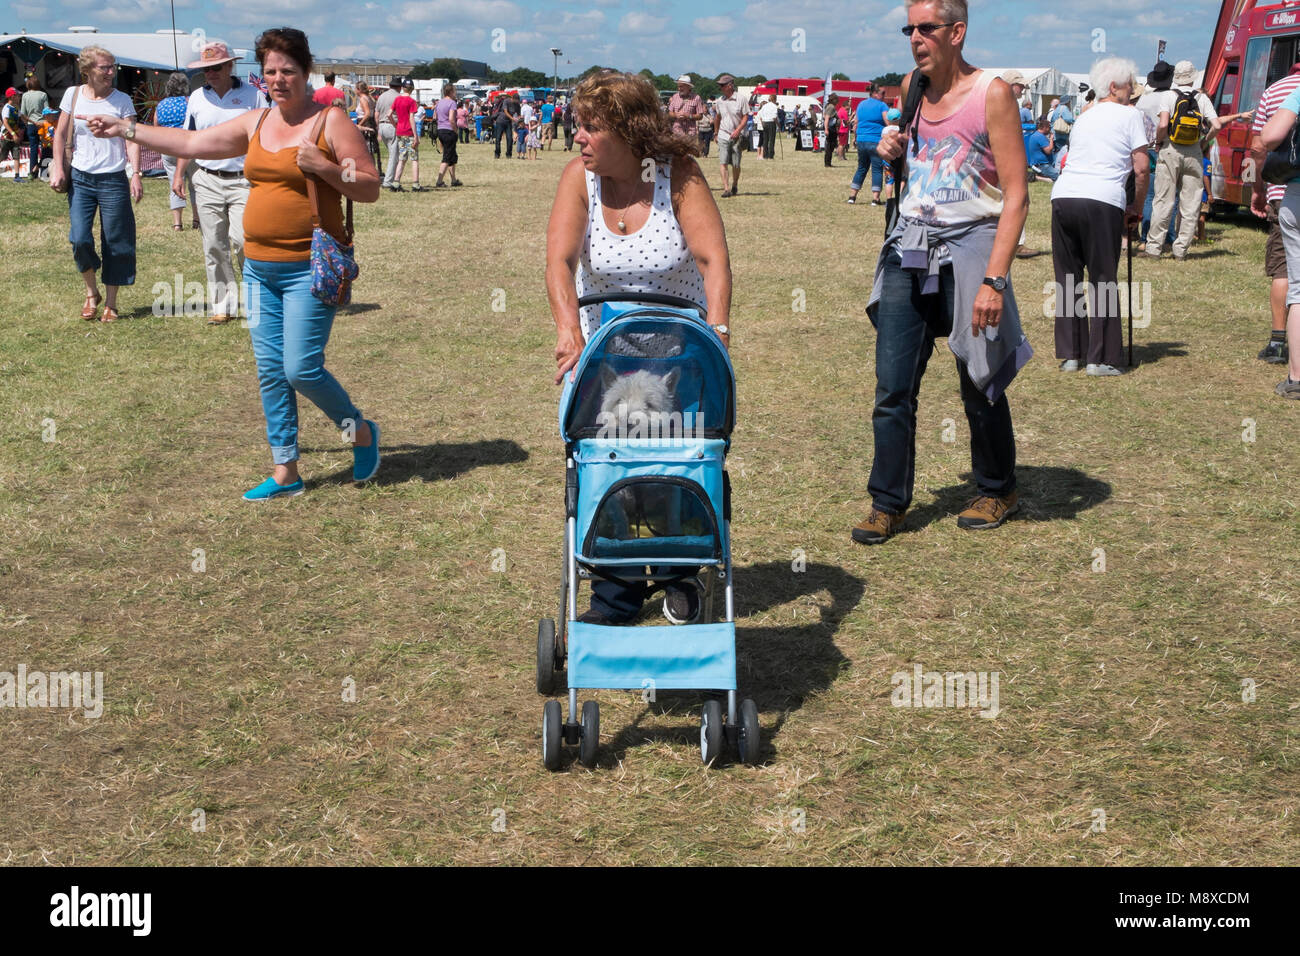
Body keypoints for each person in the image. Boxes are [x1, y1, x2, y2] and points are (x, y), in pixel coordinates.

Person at [81, 27, 382, 496]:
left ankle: (359, 431)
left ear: (306, 72)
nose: (279, 79)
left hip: (308, 267)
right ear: (261, 76)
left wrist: (323, 167)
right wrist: (126, 128)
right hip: (259, 268)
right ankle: (286, 469)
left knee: (300, 368)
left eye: (288, 71)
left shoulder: (331, 122)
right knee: (269, 369)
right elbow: (193, 145)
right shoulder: (256, 122)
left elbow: (368, 185)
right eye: (270, 72)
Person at [546, 70, 732, 624]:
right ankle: (616, 591)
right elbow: (559, 260)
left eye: (589, 127)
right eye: (577, 125)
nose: (577, 137)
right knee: (605, 462)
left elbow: (712, 261)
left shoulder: (680, 177)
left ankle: (680, 575)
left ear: (627, 130)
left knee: (677, 462)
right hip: (608, 354)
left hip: (679, 352)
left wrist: (718, 336)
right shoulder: (580, 179)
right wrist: (567, 329)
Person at [854, 0, 1030, 545]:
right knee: (892, 386)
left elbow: (1018, 194)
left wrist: (994, 279)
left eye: (926, 27)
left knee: (979, 379)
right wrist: (890, 150)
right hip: (910, 247)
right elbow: (912, 165)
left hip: (972, 248)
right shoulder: (911, 86)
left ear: (957, 31)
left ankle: (997, 488)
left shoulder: (991, 93)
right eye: (909, 28)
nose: (915, 37)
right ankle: (888, 503)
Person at [1049, 56, 1149, 377]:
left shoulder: (1085, 116)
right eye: (1129, 85)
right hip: (1102, 199)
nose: (1132, 91)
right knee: (1103, 278)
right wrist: (1137, 206)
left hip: (1064, 196)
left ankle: (1071, 354)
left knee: (1068, 278)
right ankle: (1102, 357)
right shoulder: (1129, 115)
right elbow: (1142, 167)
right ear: (1113, 87)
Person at [174, 42, 267, 323]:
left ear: (230, 66)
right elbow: (188, 139)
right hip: (206, 180)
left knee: (243, 242)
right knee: (214, 245)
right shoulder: (196, 98)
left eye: (216, 67)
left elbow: (265, 134)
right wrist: (179, 174)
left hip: (244, 181)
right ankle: (223, 306)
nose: (210, 73)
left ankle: (257, 303)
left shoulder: (254, 95)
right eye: (205, 69)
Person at [50, 45, 141, 324]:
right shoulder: (73, 95)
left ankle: (111, 304)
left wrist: (135, 173)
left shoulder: (123, 99)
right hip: (80, 177)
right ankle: (92, 292)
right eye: (105, 67)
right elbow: (60, 133)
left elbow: (132, 137)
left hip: (113, 178)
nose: (111, 72)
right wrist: (57, 167)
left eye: (113, 67)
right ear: (87, 70)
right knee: (79, 238)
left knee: (116, 240)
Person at [1249, 63, 1300, 367]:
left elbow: (1260, 145)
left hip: (1286, 192)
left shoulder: (1274, 91)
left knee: (1287, 272)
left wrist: (1257, 188)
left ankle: (1278, 343)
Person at [1146, 60, 1221, 261]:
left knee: (1164, 199)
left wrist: (1159, 142)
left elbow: (1163, 124)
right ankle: (1181, 249)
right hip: (1194, 151)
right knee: (1191, 202)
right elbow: (1217, 125)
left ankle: (1154, 247)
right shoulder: (1202, 97)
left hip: (1171, 148)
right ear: (1193, 77)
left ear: (1175, 77)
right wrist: (1203, 142)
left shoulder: (1169, 96)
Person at [1259, 79, 1300, 398]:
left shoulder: (1289, 90)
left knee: (1296, 286)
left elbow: (1268, 138)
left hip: (1295, 194)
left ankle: (1296, 377)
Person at [152, 72, 196, 231]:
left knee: (174, 183)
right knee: (194, 184)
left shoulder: (161, 105)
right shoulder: (189, 102)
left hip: (168, 148)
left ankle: (177, 223)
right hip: (187, 147)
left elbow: (155, 127)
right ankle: (196, 219)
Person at [848, 83, 888, 204]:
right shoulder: (882, 106)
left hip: (862, 140)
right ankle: (875, 199)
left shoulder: (861, 105)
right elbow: (888, 122)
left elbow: (856, 124)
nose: (884, 96)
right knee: (877, 169)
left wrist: (855, 138)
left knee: (861, 168)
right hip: (875, 141)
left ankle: (852, 197)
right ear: (875, 93)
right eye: (883, 93)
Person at [713, 73, 749, 196]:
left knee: (736, 164)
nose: (720, 88)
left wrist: (738, 130)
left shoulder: (741, 99)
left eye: (722, 85)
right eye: (720, 86)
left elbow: (745, 117)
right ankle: (726, 189)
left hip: (737, 137)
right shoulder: (719, 101)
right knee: (723, 162)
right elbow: (717, 118)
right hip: (723, 134)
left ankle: (735, 184)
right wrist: (716, 133)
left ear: (730, 85)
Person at [388, 78, 422, 191]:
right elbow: (412, 118)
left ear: (402, 88)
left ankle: (396, 183)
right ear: (412, 89)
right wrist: (416, 135)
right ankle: (416, 184)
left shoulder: (397, 99)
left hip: (400, 132)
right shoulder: (412, 102)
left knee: (402, 158)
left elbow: (389, 114)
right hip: (409, 132)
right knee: (414, 159)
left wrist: (395, 125)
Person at [21, 76, 49, 182]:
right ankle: (45, 172)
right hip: (43, 124)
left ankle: (32, 173)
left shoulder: (25, 95)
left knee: (33, 149)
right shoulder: (43, 95)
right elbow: (46, 111)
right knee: (46, 147)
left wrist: (29, 123)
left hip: (31, 125)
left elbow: (23, 113)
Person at [375, 76, 402, 189]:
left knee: (393, 154)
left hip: (381, 125)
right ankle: (388, 182)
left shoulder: (381, 96)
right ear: (399, 87)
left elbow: (376, 114)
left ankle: (392, 179)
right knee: (394, 156)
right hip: (392, 125)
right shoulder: (398, 97)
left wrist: (378, 130)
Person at [434, 82, 461, 186]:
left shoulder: (439, 102)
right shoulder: (452, 103)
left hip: (440, 130)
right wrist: (455, 130)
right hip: (449, 130)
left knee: (452, 156)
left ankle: (453, 180)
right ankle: (439, 181)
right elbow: (451, 119)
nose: (455, 93)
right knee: (447, 157)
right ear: (450, 92)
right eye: (454, 91)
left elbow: (435, 117)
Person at [668, 75, 705, 142]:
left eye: (681, 86)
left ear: (688, 86)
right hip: (677, 132)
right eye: (678, 86)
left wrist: (688, 116)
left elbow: (700, 116)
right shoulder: (675, 97)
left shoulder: (696, 98)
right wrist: (676, 115)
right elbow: (670, 113)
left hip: (690, 133)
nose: (679, 88)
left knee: (689, 152)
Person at [355, 80, 381, 173]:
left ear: (359, 90)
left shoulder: (363, 99)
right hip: (371, 123)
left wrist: (359, 125)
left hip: (365, 124)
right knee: (369, 151)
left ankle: (369, 171)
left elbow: (367, 113)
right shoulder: (370, 98)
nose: (355, 91)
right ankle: (372, 170)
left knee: (365, 150)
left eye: (355, 89)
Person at [2, 88, 26, 181]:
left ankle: (17, 176)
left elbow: (23, 116)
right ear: (12, 96)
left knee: (16, 155)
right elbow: (5, 122)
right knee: (3, 156)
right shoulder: (7, 108)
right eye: (18, 95)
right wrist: (13, 133)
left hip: (15, 136)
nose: (19, 97)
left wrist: (33, 122)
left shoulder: (15, 108)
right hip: (6, 137)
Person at [758, 94, 779, 159]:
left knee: (765, 140)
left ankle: (765, 155)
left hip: (764, 123)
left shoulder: (764, 106)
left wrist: (763, 123)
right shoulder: (774, 106)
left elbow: (761, 116)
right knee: (771, 139)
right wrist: (778, 125)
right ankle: (770, 155)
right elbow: (774, 117)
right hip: (771, 123)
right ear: (774, 99)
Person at [823, 94, 840, 167]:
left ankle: (828, 162)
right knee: (830, 146)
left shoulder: (829, 106)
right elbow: (826, 118)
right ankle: (827, 163)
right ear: (834, 100)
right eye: (837, 99)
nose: (838, 101)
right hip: (831, 129)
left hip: (832, 128)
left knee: (831, 146)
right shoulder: (831, 107)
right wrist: (826, 129)